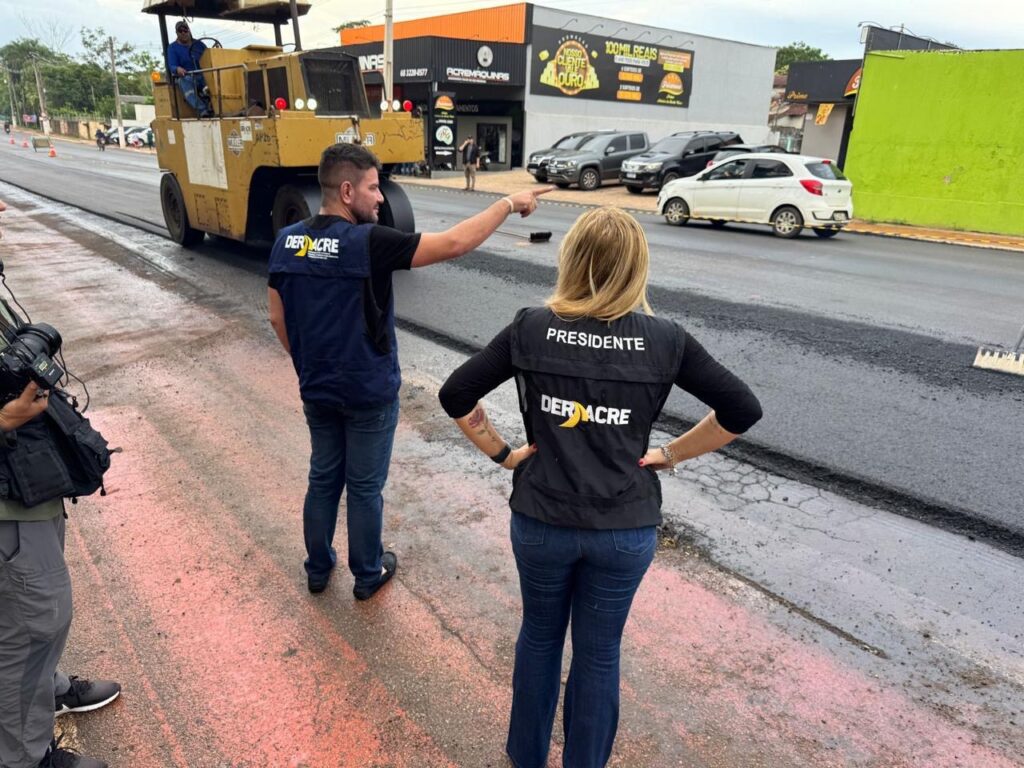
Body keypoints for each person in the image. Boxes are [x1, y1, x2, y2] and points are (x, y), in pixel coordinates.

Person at [438, 206, 763, 768]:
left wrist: (503, 453)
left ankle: (526, 759)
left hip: (541, 519)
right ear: (637, 268)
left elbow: (455, 394)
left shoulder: (530, 326)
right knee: (598, 652)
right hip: (623, 527)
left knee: (540, 637)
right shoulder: (665, 340)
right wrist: (668, 455)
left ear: (571, 261)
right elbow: (741, 408)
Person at [267, 143, 551, 599]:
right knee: (363, 487)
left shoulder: (287, 240)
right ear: (346, 190)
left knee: (323, 477)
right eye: (373, 188)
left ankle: (318, 569)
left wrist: (306, 367)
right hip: (368, 392)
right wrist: (506, 203)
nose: (381, 198)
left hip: (316, 389)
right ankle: (367, 573)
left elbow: (278, 317)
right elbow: (454, 243)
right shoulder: (368, 243)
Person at [0, 199, 122, 768]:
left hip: (26, 478)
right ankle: (25, 756)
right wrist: (3, 419)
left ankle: (44, 693)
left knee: (33, 618)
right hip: (8, 500)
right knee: (32, 620)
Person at [166, 20, 213, 118]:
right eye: (180, 30)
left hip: (204, 75)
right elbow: (172, 65)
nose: (183, 32)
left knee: (218, 75)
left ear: (189, 30)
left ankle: (216, 105)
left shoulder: (199, 44)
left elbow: (209, 55)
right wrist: (178, 69)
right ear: (177, 33)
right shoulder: (172, 48)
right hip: (188, 76)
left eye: (185, 30)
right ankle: (203, 110)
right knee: (183, 81)